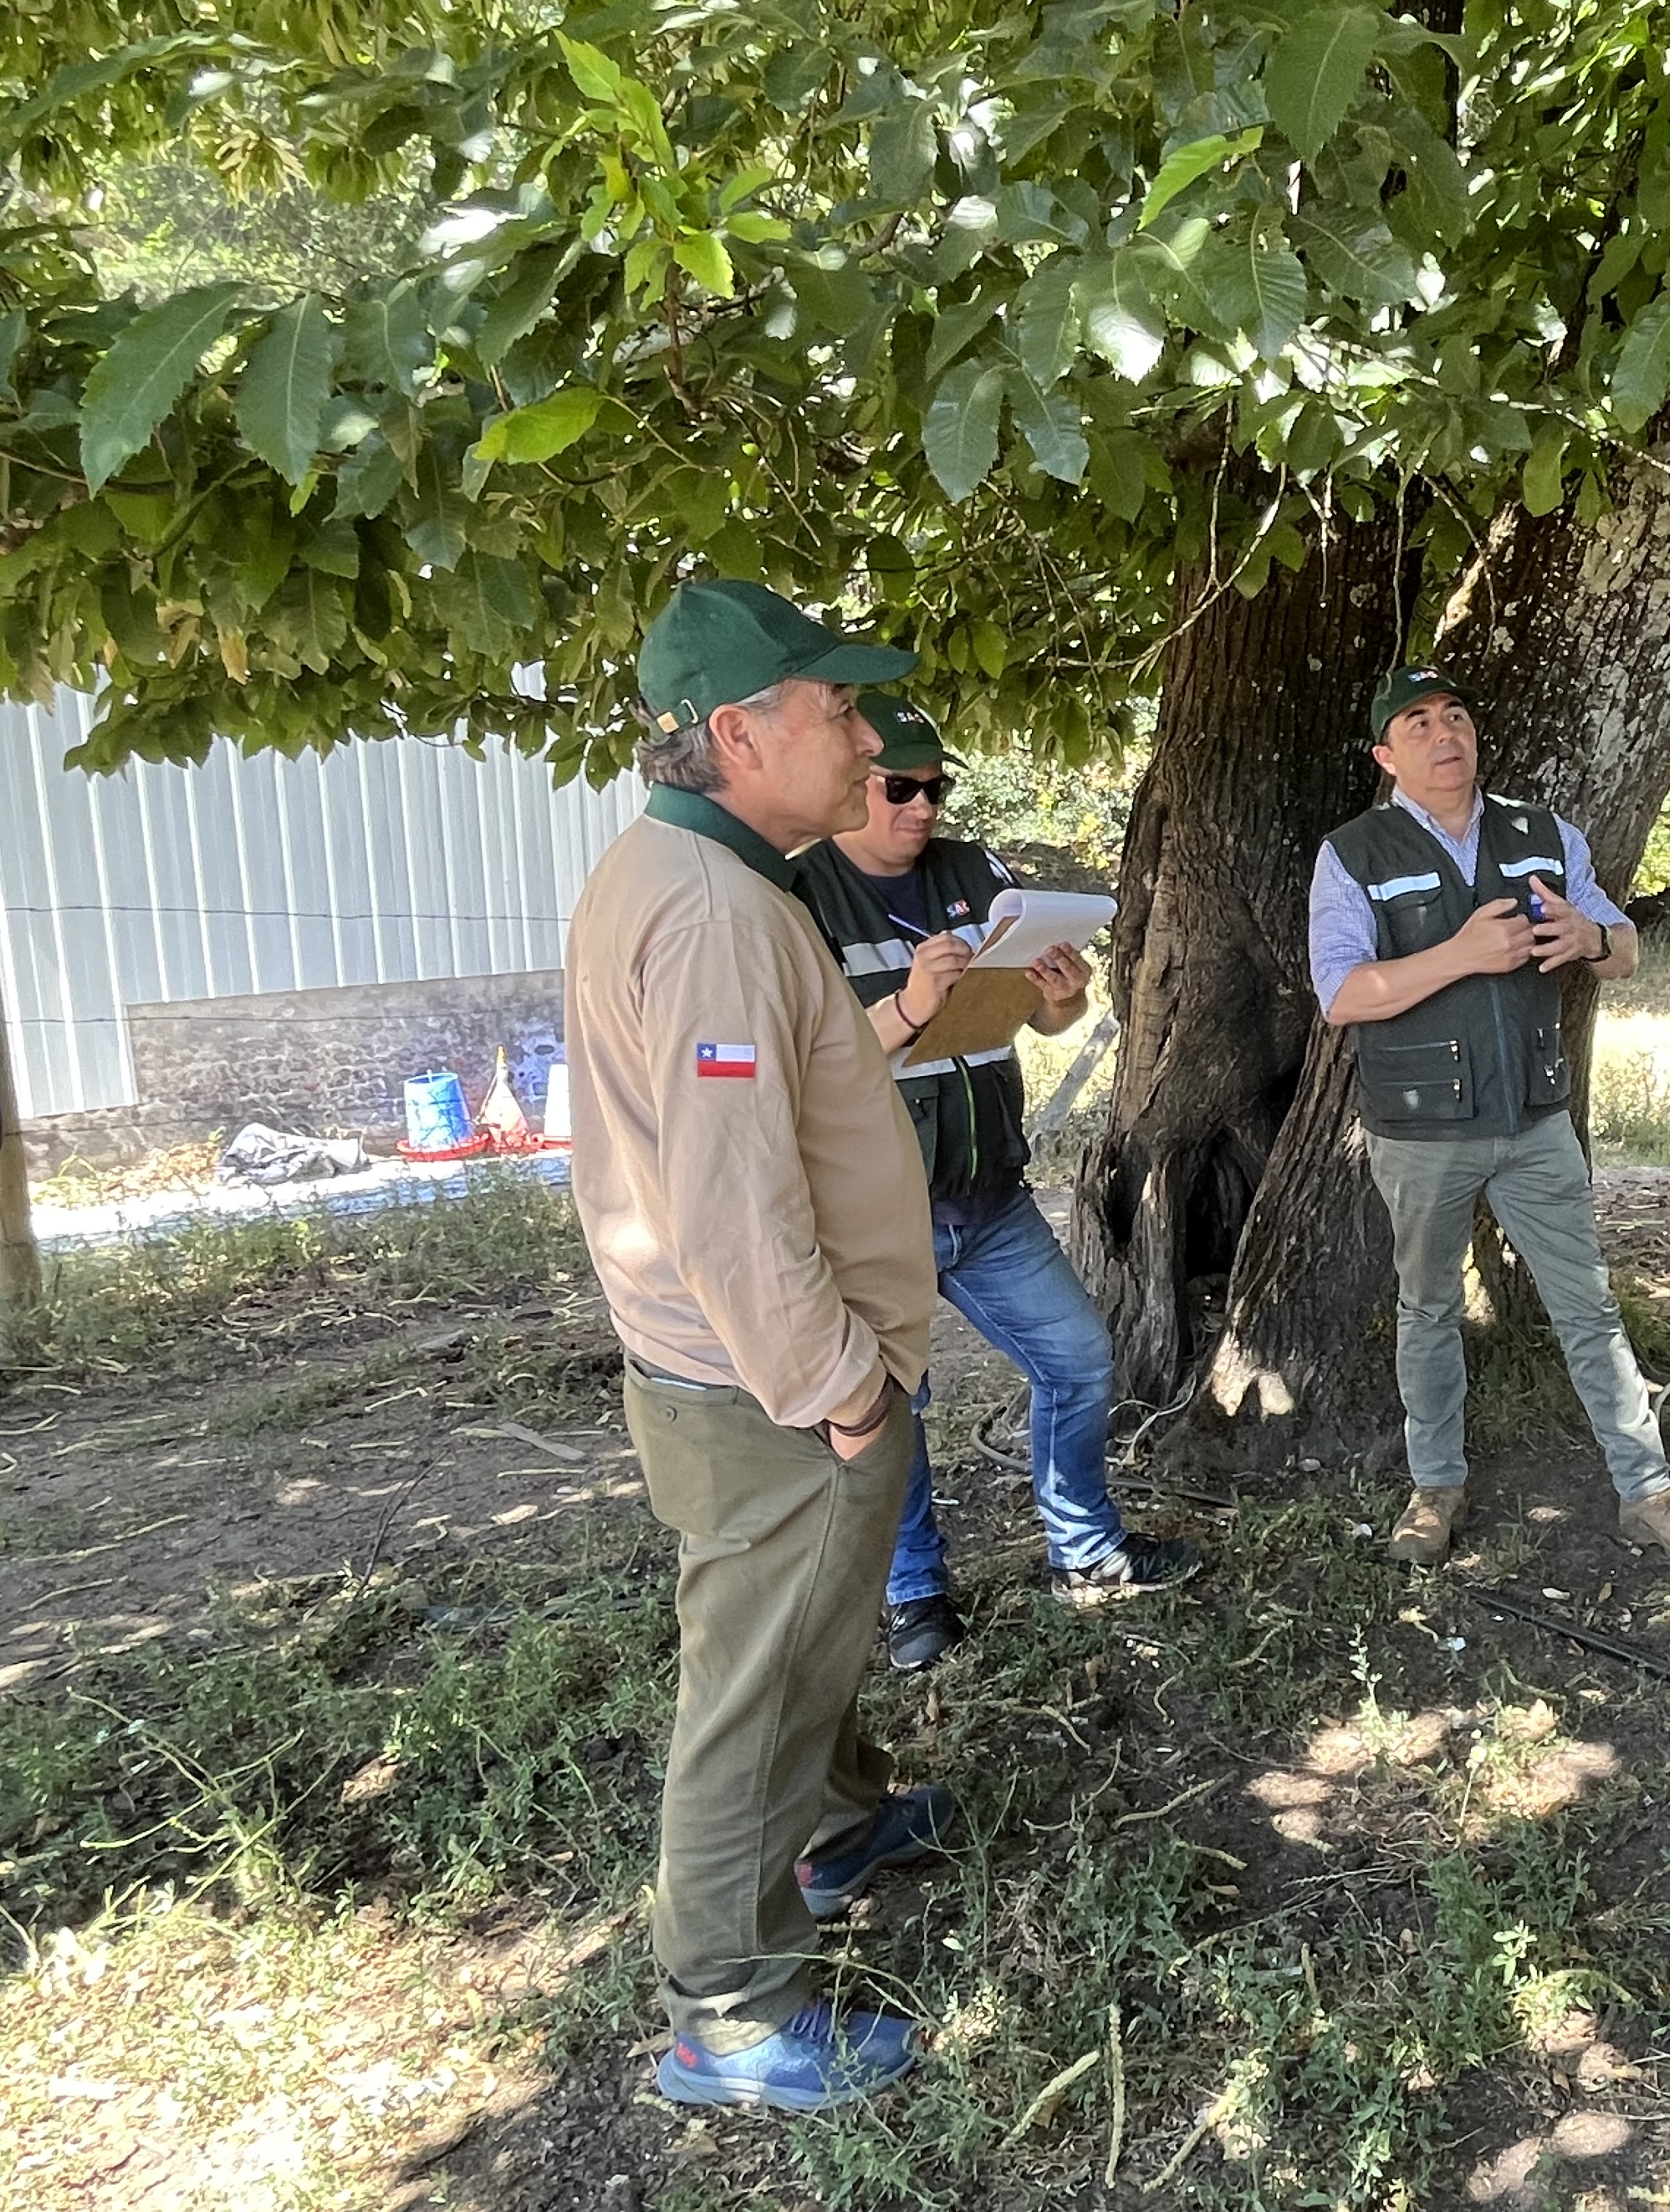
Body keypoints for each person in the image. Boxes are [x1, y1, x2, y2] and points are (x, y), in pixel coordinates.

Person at [563, 576, 955, 2111]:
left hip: (735, 1370)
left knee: (810, 1634)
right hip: (769, 1385)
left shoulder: (686, 869)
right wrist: (840, 1388)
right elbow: (729, 1201)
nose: (867, 741)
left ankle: (842, 1821)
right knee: (757, 1690)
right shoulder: (718, 911)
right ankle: (724, 2011)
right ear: (737, 732)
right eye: (837, 708)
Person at [793, 693, 1202, 1649]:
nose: (923, 807)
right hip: (871, 1210)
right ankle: (912, 1593)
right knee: (889, 1405)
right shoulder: (799, 895)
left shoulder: (977, 871)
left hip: (987, 1193)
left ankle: (1085, 1552)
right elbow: (800, 1066)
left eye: (936, 789)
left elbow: (1042, 1021)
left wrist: (1064, 998)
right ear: (854, 781)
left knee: (1079, 1359)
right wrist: (909, 1003)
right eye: (900, 789)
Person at [1310, 663, 1670, 1574]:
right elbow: (1341, 993)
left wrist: (1591, 938)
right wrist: (1461, 954)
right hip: (1420, 1133)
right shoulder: (1353, 853)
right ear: (1387, 756)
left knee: (1589, 1310)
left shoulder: (1543, 835)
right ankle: (1436, 1488)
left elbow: (1624, 950)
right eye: (1418, 724)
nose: (1444, 734)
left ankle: (1648, 1494)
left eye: (1455, 715)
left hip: (1537, 1125)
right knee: (1427, 1310)